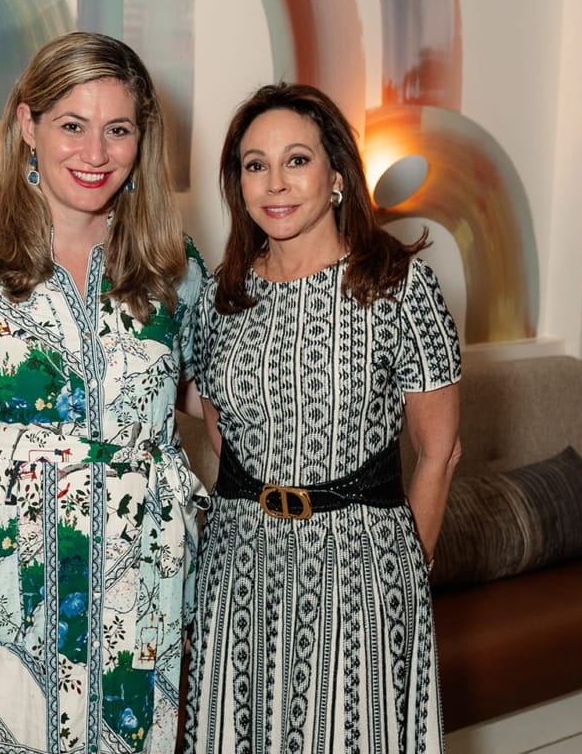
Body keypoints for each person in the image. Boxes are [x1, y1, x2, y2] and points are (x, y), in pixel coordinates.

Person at [0, 31, 206, 753]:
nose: (94, 153)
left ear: (143, 139)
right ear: (28, 126)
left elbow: (218, 409)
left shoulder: (174, 265)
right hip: (3, 587)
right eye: (72, 125)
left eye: (118, 129)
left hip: (141, 588)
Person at [184, 83, 461, 753]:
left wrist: (402, 576)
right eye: (255, 165)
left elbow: (439, 450)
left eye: (296, 160)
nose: (275, 183)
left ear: (336, 174)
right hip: (238, 573)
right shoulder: (220, 297)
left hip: (362, 576)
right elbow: (222, 437)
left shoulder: (397, 285)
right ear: (238, 183)